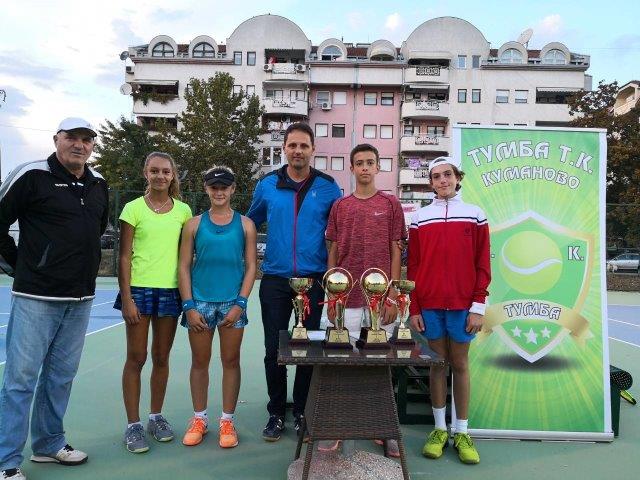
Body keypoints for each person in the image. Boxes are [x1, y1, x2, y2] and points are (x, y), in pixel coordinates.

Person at [0, 118, 109, 480]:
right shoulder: (31, 175)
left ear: (92, 145)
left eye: (86, 139)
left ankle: (48, 443)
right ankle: (6, 461)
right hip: (36, 296)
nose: (79, 144)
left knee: (60, 377)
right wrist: (21, 266)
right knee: (20, 380)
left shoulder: (98, 183)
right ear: (56, 140)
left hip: (80, 298)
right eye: (71, 137)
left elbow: (95, 230)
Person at [247, 122, 341, 442]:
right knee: (273, 348)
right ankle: (276, 412)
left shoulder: (328, 187)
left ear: (313, 149)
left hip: (313, 281)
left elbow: (338, 232)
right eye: (292, 145)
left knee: (308, 348)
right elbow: (249, 224)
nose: (298, 151)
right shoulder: (267, 185)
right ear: (284, 148)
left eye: (304, 145)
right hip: (275, 279)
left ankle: (302, 410)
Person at [321, 143, 405, 456]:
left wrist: (392, 294)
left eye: (370, 162)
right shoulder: (341, 206)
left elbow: (396, 249)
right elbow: (332, 250)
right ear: (352, 168)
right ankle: (339, 427)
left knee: (381, 365)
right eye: (359, 163)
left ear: (378, 167)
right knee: (342, 363)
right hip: (347, 299)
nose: (365, 167)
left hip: (379, 300)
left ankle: (384, 429)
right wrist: (333, 295)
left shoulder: (391, 203)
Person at [408, 156, 491, 465]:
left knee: (460, 364)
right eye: (436, 176)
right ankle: (440, 430)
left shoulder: (475, 215)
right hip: (429, 305)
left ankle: (462, 433)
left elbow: (483, 264)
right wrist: (415, 306)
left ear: (458, 178)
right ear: (431, 183)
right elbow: (413, 266)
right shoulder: (420, 218)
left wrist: (478, 306)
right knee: (437, 365)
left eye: (447, 174)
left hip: (463, 306)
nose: (442, 180)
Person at [114, 152, 192, 453]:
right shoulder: (132, 208)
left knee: (161, 357)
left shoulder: (183, 211)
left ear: (173, 176)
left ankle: (155, 417)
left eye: (166, 172)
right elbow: (124, 257)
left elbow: (186, 257)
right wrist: (127, 298)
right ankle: (133, 425)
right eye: (155, 171)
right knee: (136, 357)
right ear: (146, 173)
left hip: (170, 292)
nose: (160, 176)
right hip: (139, 291)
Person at [178, 166, 257, 449]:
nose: (219, 192)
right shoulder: (193, 225)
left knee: (231, 361)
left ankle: (227, 421)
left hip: (232, 303)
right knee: (199, 362)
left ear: (233, 189)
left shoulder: (246, 225)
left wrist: (240, 304)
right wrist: (189, 306)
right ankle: (199, 419)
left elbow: (251, 267)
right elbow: (183, 266)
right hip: (199, 303)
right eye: (214, 187)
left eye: (224, 187)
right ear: (206, 189)